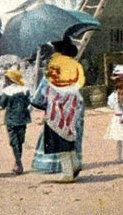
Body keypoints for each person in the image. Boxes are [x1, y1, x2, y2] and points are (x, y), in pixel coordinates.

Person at [30, 38, 86, 182]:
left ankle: (67, 173)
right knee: (69, 136)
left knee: (59, 138)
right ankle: (75, 163)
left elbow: (46, 87)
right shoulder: (74, 65)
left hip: (58, 105)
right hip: (73, 104)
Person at [0, 68, 31, 175]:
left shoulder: (7, 91)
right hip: (23, 119)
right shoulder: (25, 89)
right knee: (20, 141)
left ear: (10, 79)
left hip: (11, 119)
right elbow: (29, 104)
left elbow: (2, 104)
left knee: (14, 142)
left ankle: (18, 163)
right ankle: (18, 162)